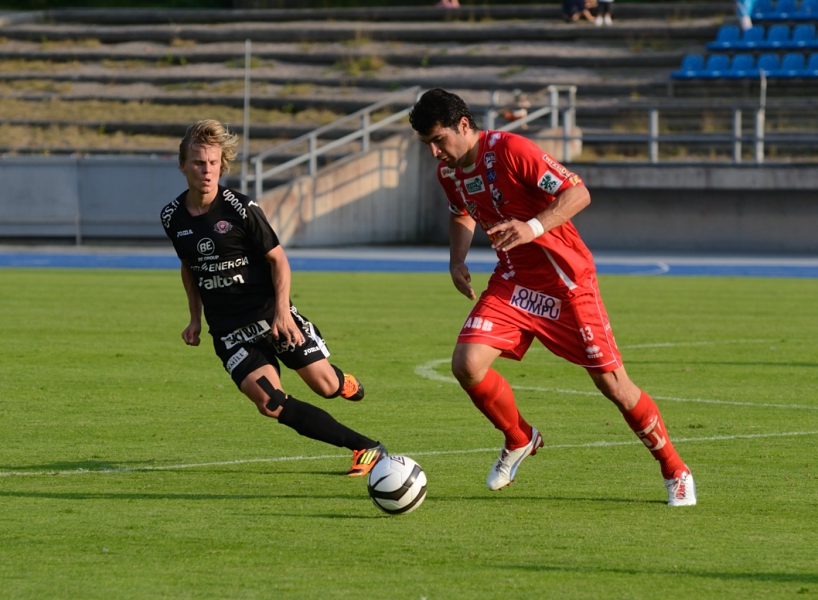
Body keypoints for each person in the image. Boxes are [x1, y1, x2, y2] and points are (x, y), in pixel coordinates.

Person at [408, 89, 696, 506]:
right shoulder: (449, 173)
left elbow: (578, 193)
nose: (435, 152)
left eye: (439, 140)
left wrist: (533, 227)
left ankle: (675, 470)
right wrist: (456, 260)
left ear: (463, 126)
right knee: (466, 364)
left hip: (566, 283)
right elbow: (460, 212)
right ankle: (520, 437)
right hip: (514, 281)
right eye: (427, 145)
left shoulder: (511, 150)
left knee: (613, 385)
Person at [160, 119, 386, 477]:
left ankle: (341, 381)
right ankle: (366, 447)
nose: (207, 171)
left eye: (213, 163)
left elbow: (278, 259)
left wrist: (284, 313)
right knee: (270, 402)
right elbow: (189, 266)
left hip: (272, 316)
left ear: (222, 165)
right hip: (230, 332)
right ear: (183, 165)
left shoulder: (241, 208)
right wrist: (194, 318)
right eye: (199, 163)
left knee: (325, 387)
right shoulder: (171, 217)